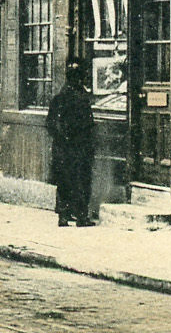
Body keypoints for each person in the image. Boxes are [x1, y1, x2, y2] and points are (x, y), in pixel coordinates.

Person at [47, 58, 97, 227]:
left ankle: (63, 216)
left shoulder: (59, 97)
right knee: (81, 180)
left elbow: (50, 125)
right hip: (78, 148)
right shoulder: (81, 98)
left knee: (64, 181)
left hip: (61, 148)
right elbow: (87, 124)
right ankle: (81, 217)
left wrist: (61, 139)